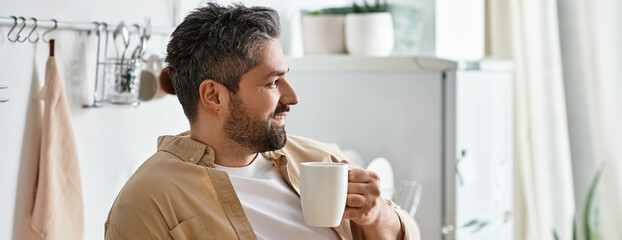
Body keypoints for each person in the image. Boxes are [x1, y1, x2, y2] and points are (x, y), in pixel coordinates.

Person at [104, 3, 420, 240]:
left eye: (286, 78)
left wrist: (376, 216)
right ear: (214, 96)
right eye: (272, 83)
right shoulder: (147, 201)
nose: (293, 97)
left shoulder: (322, 161)